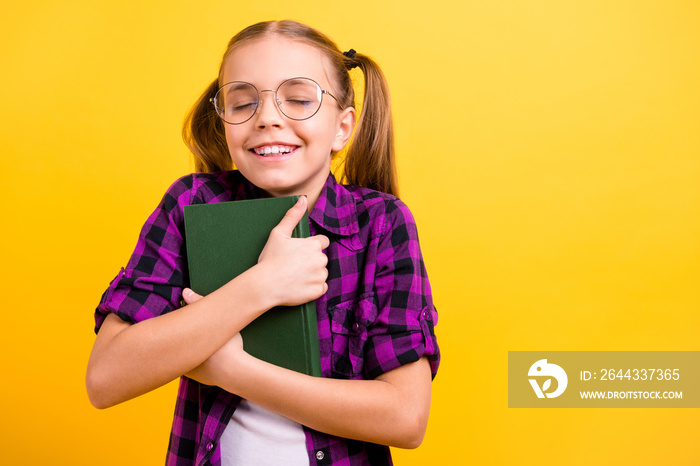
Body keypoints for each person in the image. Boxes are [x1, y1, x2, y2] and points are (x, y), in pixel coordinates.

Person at [87, 20, 439, 466]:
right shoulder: (191, 204)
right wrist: (262, 286)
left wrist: (233, 371)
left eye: (298, 99)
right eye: (242, 102)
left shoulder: (381, 223)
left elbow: (405, 418)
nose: (268, 117)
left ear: (342, 127)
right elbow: (106, 378)